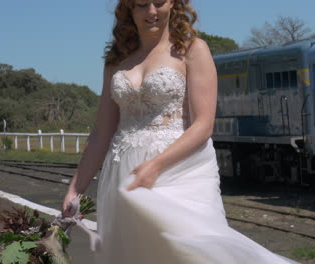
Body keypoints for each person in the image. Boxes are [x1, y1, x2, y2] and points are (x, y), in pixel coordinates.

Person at [62, 0, 299, 263]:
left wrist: (155, 165)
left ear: (172, 3)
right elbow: (101, 133)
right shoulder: (115, 61)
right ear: (128, 8)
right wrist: (75, 189)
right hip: (123, 173)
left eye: (159, 2)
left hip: (179, 170)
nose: (151, 12)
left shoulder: (192, 50)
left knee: (191, 251)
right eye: (141, 4)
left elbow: (203, 125)